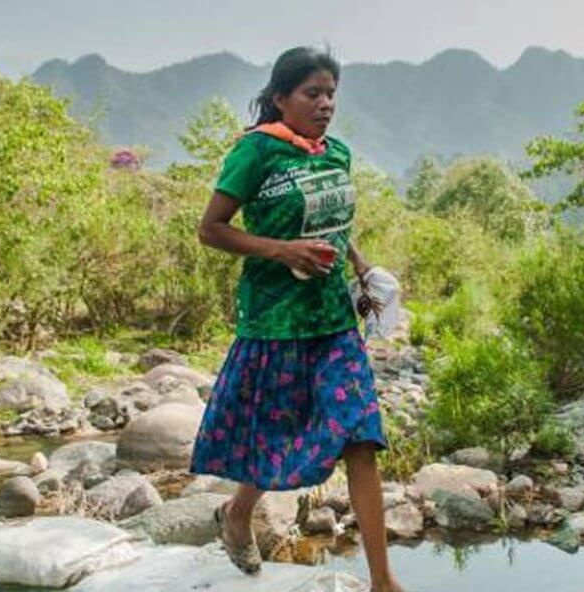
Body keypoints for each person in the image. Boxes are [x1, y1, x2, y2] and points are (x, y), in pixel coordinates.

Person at [190, 46, 405, 592]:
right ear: (281, 97)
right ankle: (238, 514)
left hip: (333, 324)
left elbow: (335, 225)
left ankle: (383, 582)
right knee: (277, 438)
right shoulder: (257, 153)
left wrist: (362, 268)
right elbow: (211, 229)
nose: (325, 103)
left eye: (331, 93)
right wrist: (281, 250)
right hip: (276, 323)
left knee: (360, 440)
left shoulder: (337, 154)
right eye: (313, 93)